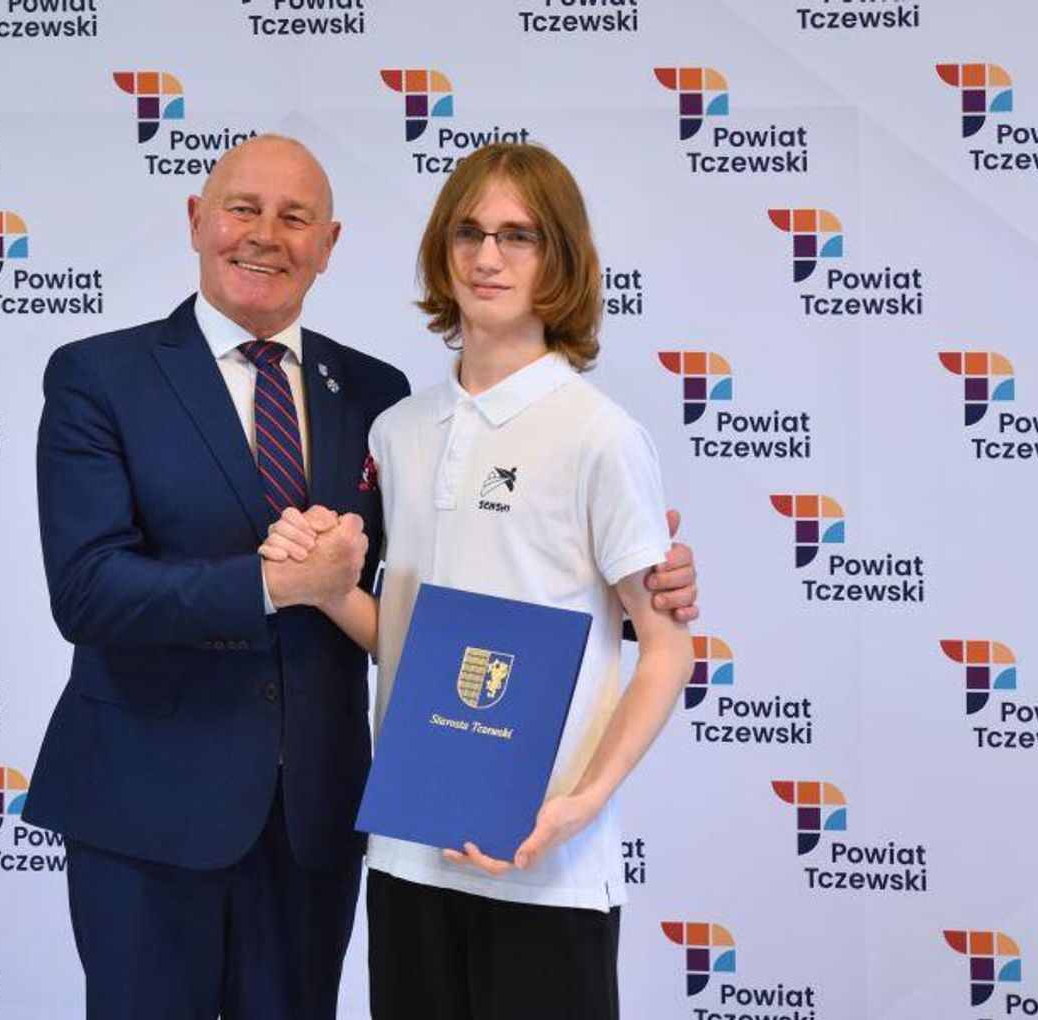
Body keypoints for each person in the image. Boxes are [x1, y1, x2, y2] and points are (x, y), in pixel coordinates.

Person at [23, 134, 697, 1020]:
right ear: (196, 220)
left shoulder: (375, 397)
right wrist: (280, 586)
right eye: (242, 209)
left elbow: (447, 597)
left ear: (328, 243)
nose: (265, 235)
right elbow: (87, 591)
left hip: (326, 822)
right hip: (150, 814)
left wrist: (643, 590)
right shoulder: (102, 376)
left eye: (295, 217)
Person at [261, 142, 693, 1020]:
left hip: (545, 861)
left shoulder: (600, 435)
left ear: (559, 257)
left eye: (517, 236)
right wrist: (328, 590)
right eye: (469, 233)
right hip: (408, 850)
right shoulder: (398, 429)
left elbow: (667, 649)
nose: (487, 257)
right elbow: (404, 636)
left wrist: (581, 805)